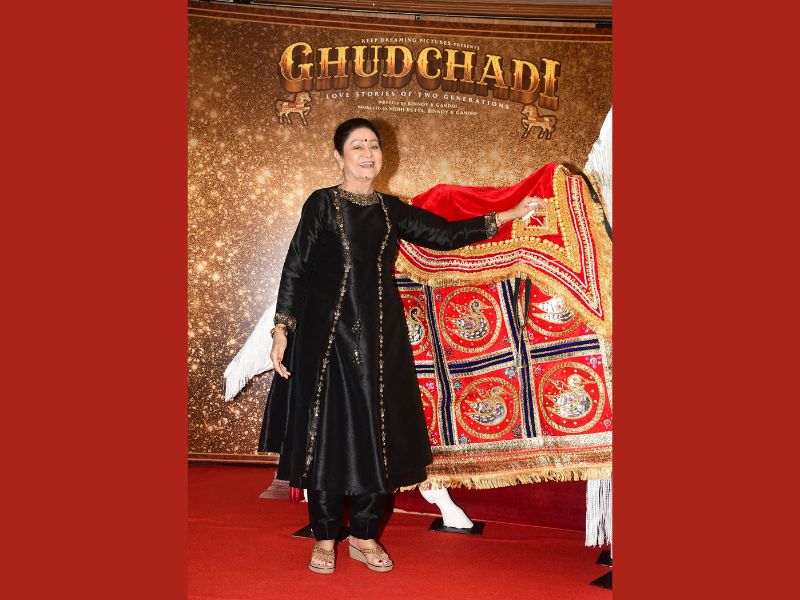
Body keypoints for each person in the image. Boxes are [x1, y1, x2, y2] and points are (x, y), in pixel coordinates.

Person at [259, 117, 539, 574]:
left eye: (373, 145)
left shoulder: (390, 210)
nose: (367, 153)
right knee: (325, 439)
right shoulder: (322, 204)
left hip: (379, 342)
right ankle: (326, 537)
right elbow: (296, 268)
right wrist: (281, 329)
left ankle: (364, 535)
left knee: (378, 437)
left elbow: (446, 235)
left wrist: (509, 214)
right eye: (357, 146)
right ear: (338, 156)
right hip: (324, 343)